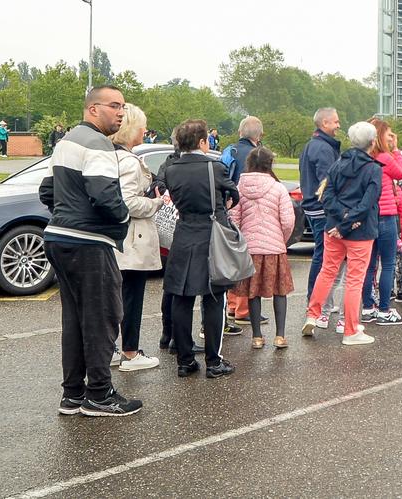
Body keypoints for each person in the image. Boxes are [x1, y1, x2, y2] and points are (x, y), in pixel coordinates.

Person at [38, 86, 140, 417]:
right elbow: (104, 194)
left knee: (76, 319)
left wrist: (67, 213)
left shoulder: (67, 141)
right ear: (93, 109)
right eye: (114, 106)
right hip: (88, 242)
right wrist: (123, 218)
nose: (121, 113)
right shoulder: (97, 143)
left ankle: (73, 394)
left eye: (123, 107)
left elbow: (47, 190)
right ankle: (99, 394)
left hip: (59, 237)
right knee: (101, 318)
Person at [157, 120, 240, 377]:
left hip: (183, 234)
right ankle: (214, 362)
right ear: (203, 142)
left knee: (181, 298)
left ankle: (185, 360)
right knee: (214, 298)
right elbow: (234, 195)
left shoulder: (171, 169)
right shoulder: (215, 167)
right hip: (210, 234)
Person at [303, 120, 382, 344]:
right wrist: (348, 221)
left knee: (327, 272)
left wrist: (340, 220)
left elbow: (326, 195)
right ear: (372, 142)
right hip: (359, 232)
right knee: (354, 280)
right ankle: (350, 329)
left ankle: (313, 314)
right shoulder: (373, 169)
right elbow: (367, 203)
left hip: (334, 229)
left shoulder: (338, 163)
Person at [108, 104, 163, 372]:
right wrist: (155, 203)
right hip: (133, 238)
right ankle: (130, 351)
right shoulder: (129, 162)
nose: (145, 129)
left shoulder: (111, 157)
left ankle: (112, 349)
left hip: (118, 238)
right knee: (131, 297)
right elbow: (128, 201)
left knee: (115, 298)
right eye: (142, 125)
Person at [231, 147, 295, 349]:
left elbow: (234, 218)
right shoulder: (278, 188)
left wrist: (241, 240)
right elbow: (287, 221)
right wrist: (281, 239)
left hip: (250, 248)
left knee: (253, 292)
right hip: (274, 247)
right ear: (269, 164)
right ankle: (280, 335)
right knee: (280, 291)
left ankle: (257, 336)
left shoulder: (240, 187)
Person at [360, 118, 402, 327]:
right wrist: (396, 149)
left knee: (368, 266)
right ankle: (384, 310)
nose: (392, 137)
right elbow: (401, 172)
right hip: (386, 216)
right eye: (389, 134)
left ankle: (368, 306)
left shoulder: (364, 159)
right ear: (380, 136)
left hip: (368, 217)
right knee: (388, 264)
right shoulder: (384, 158)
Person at [298, 108, 342, 320]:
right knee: (324, 256)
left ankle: (318, 299)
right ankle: (316, 300)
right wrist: (337, 209)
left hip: (314, 206)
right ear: (324, 123)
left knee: (323, 255)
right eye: (335, 122)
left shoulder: (313, 145)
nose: (338, 125)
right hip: (321, 208)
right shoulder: (322, 148)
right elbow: (328, 184)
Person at [222, 116, 263, 186]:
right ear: (260, 135)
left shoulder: (229, 151)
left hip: (230, 194)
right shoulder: (261, 155)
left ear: (240, 132)